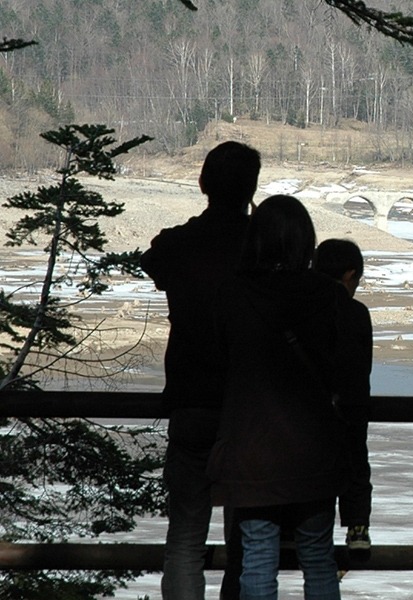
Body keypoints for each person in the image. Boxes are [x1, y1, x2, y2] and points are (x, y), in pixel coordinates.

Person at [207, 195, 346, 600]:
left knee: (256, 557)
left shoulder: (233, 294)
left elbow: (218, 360)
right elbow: (342, 367)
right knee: (319, 556)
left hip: (252, 448)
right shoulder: (327, 295)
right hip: (313, 447)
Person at [140, 141, 261, 600]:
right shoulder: (263, 247)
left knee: (185, 540)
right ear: (252, 187)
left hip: (191, 399)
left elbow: (152, 261)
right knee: (248, 544)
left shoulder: (178, 245)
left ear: (202, 184)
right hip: (250, 407)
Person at [314, 238, 374, 562]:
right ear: (350, 275)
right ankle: (358, 528)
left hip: (306, 418)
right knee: (355, 467)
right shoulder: (356, 313)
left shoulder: (302, 309)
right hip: (349, 411)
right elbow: (362, 367)